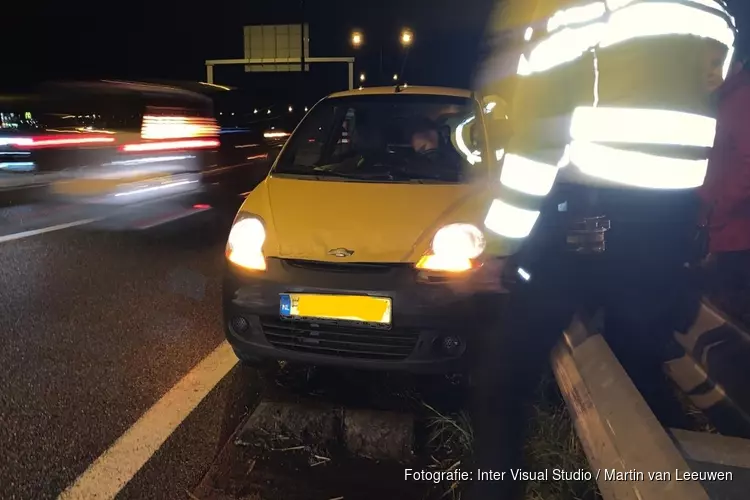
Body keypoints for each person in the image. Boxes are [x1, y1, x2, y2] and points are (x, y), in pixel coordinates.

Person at [468, 1, 736, 499]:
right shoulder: (712, 9)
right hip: (665, 229)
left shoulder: (575, 7)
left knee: (501, 383)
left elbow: (539, 134)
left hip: (582, 223)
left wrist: (503, 245)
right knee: (639, 379)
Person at [699, 51, 750, 318]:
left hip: (734, 235)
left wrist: (719, 207)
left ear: (738, 64)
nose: (711, 71)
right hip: (720, 230)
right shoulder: (723, 98)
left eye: (719, 64)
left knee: (729, 311)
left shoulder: (741, 99)